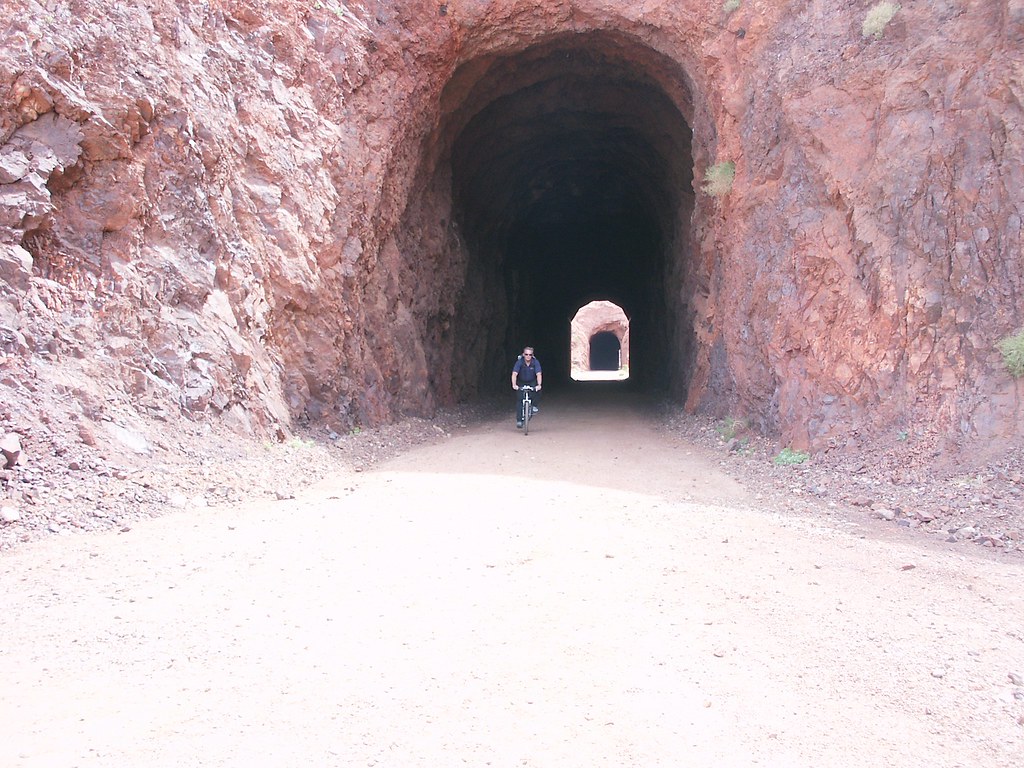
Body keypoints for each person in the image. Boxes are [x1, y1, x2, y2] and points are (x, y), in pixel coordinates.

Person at [511, 346, 542, 428]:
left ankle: (534, 406)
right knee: (520, 400)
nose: (528, 356)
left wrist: (539, 385)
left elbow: (538, 374)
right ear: (523, 354)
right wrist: (514, 385)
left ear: (532, 355)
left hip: (532, 381)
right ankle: (519, 420)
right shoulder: (519, 362)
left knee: (538, 392)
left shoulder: (535, 362)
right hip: (521, 381)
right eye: (526, 354)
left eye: (530, 354)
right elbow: (514, 374)